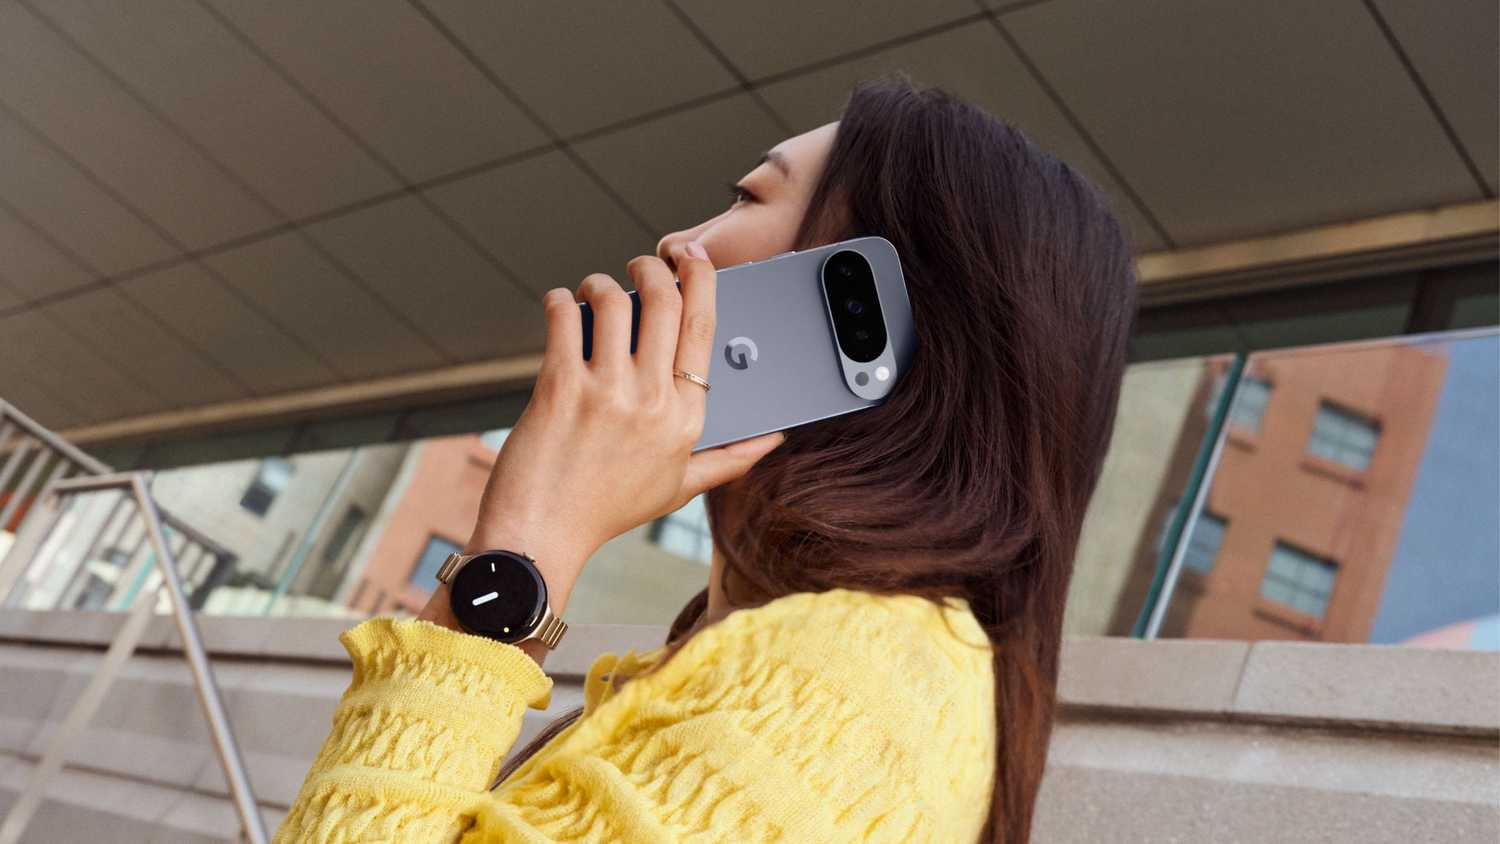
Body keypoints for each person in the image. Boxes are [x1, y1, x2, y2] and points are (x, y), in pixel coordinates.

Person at [273, 77, 1136, 844]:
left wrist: (528, 540)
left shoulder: (836, 688)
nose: (681, 242)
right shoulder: (836, 666)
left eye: (746, 197)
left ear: (871, 309)